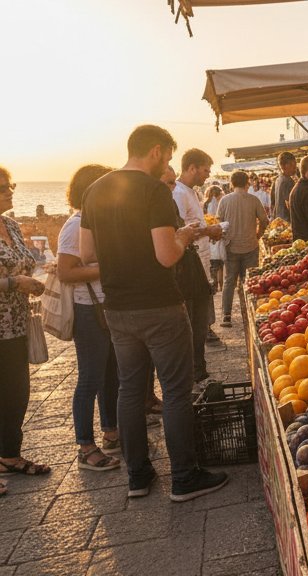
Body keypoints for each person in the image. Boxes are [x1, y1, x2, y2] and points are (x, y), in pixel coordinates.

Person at [80, 124, 229, 501]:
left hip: (116, 308)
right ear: (157, 151)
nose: (167, 164)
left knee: (129, 390)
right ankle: (184, 477)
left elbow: (87, 255)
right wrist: (184, 236)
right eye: (166, 156)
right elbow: (167, 256)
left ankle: (138, 476)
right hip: (159, 305)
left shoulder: (94, 191)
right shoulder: (153, 192)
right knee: (176, 390)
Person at [57, 164, 121, 472]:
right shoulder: (76, 224)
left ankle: (111, 430)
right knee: (90, 378)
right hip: (88, 310)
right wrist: (112, 267)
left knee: (111, 373)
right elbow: (66, 272)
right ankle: (85, 446)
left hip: (106, 308)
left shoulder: (95, 220)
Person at [0, 166, 48, 493]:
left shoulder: (11, 225)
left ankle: (9, 455)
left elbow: (25, 263)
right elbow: (14, 275)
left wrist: (30, 283)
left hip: (15, 323)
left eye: (11, 185)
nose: (10, 191)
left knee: (17, 392)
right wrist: (15, 282)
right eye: (4, 187)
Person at [172, 150, 223, 381]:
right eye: (205, 170)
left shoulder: (192, 192)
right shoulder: (179, 194)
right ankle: (195, 374)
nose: (207, 175)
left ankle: (199, 371)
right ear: (191, 168)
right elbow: (179, 232)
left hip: (200, 262)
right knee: (194, 324)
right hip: (189, 269)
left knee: (200, 324)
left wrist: (206, 232)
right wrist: (207, 231)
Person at [217, 170, 268, 328]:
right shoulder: (253, 200)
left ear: (231, 183)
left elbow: (218, 223)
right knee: (250, 281)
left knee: (229, 281)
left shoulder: (224, 201)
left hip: (230, 246)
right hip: (250, 245)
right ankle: (251, 314)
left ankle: (226, 316)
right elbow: (265, 220)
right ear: (247, 183)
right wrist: (258, 235)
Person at [273, 152, 296, 221]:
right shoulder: (288, 181)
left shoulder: (278, 179)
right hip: (288, 219)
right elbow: (290, 204)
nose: (295, 167)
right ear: (286, 165)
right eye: (293, 164)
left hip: (279, 218)